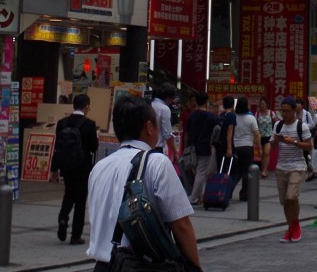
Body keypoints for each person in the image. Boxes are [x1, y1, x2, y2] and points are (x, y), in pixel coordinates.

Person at [85, 96, 202, 272]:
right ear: (149, 127)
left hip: (103, 266)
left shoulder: (99, 167)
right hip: (140, 266)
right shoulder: (157, 163)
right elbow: (181, 225)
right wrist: (196, 268)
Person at [55, 94, 99, 245]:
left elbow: (57, 148)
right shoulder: (89, 124)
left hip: (66, 166)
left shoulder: (62, 123)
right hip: (82, 166)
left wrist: (55, 168)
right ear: (86, 107)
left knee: (68, 194)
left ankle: (62, 218)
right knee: (80, 199)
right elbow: (94, 147)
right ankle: (75, 235)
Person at [272, 97, 317, 242]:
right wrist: (276, 142)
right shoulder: (278, 126)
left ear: (294, 111)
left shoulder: (301, 126)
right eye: (282, 111)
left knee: (292, 197)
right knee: (285, 201)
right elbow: (273, 146)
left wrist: (295, 142)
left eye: (287, 111)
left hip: (297, 166)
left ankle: (295, 225)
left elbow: (309, 145)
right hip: (281, 167)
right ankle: (290, 227)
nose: (284, 114)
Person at [183, 92, 218, 205]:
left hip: (192, 147)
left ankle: (198, 196)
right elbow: (217, 129)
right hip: (205, 147)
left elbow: (186, 134)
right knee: (201, 172)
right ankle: (194, 197)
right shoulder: (211, 116)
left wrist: (186, 147)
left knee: (196, 171)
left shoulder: (191, 115)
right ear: (206, 102)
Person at [227, 97, 260, 203]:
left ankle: (228, 191)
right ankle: (244, 194)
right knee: (246, 172)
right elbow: (256, 134)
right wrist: (257, 145)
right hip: (247, 147)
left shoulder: (233, 117)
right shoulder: (251, 118)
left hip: (235, 147)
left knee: (236, 172)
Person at [151, 85, 176, 156]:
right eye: (172, 99)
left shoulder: (149, 104)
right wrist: (175, 152)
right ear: (168, 98)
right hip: (157, 147)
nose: (171, 102)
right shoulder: (164, 109)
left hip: (146, 145)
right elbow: (167, 135)